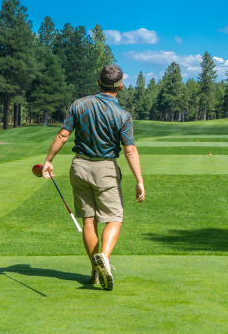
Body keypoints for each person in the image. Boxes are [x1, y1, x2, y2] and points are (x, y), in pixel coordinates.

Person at [42, 64, 145, 291]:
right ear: (120, 86)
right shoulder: (123, 115)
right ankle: (104, 259)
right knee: (114, 218)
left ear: (98, 83)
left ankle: (95, 271)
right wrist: (139, 181)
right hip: (105, 168)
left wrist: (49, 160)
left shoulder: (78, 104)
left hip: (79, 166)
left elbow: (63, 134)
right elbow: (129, 150)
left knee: (89, 220)